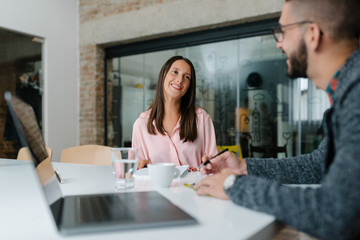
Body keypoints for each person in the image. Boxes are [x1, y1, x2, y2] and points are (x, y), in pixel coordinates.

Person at [194, 0, 360, 239]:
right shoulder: (348, 91)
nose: (279, 42)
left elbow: (336, 213)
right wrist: (244, 167)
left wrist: (234, 186)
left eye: (283, 31)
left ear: (312, 34)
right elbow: (316, 166)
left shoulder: (356, 93)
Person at [132, 56, 218, 169]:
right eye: (175, 72)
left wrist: (202, 170)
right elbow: (135, 171)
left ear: (189, 86)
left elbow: (214, 165)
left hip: (194, 186)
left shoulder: (202, 118)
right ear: (163, 75)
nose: (180, 80)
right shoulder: (141, 124)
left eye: (187, 77)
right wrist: (142, 166)